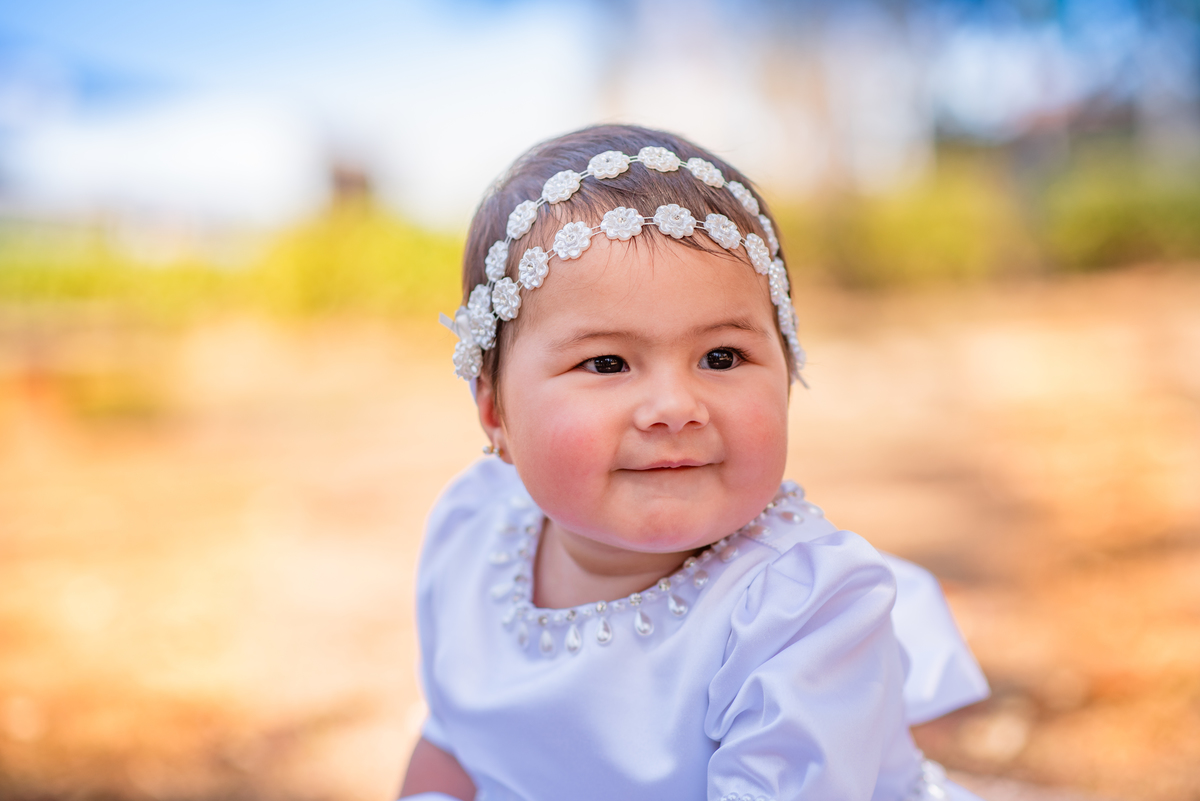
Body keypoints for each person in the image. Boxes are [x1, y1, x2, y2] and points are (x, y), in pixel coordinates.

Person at [400, 125, 989, 801]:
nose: (675, 406)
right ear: (495, 414)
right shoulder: (476, 528)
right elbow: (453, 739)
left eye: (721, 357)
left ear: (788, 375)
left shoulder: (795, 613)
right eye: (606, 363)